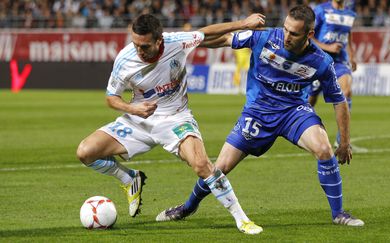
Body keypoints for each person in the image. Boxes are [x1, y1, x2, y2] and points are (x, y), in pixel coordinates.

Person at [156, 5, 364, 227]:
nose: (286, 36)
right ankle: (187, 207)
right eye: (285, 29)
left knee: (324, 149)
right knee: (221, 167)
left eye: (294, 33)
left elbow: (339, 101)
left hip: (293, 112)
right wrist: (189, 42)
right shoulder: (264, 37)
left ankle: (338, 213)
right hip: (257, 113)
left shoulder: (321, 61)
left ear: (309, 34)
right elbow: (226, 40)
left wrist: (345, 142)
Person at [76, 13, 266, 234]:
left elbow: (206, 33)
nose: (139, 50)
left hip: (176, 117)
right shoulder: (124, 59)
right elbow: (111, 97)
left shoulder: (176, 42)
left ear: (159, 41)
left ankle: (242, 219)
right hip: (138, 121)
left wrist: (243, 23)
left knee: (202, 165)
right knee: (85, 152)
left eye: (145, 46)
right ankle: (129, 178)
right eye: (135, 44)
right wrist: (133, 108)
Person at [308, 0, 357, 148]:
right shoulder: (320, 10)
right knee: (310, 100)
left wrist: (352, 55)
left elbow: (348, 35)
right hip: (319, 60)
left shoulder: (350, 13)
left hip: (340, 62)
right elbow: (309, 36)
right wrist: (327, 47)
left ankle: (341, 140)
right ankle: (303, 129)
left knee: (346, 92)